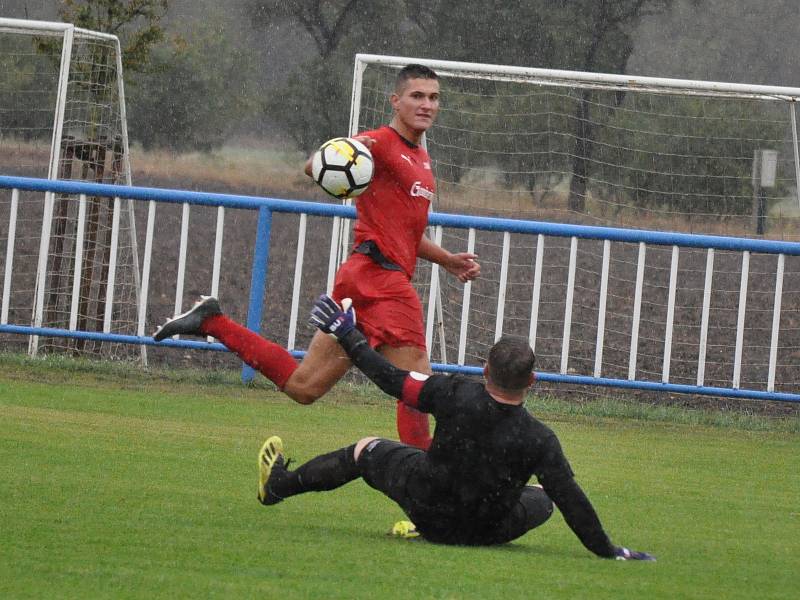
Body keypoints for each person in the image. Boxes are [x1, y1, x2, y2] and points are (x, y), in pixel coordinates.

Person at [153, 64, 479, 450]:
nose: (427, 104)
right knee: (419, 387)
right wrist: (336, 169)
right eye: (417, 96)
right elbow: (316, 163)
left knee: (304, 387)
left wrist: (446, 260)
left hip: (365, 278)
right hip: (381, 280)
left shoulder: (420, 157)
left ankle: (213, 322)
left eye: (434, 97)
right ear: (396, 101)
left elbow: (406, 232)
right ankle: (431, 492)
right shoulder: (382, 142)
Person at [254, 294, 655, 558]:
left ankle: (280, 486)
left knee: (364, 450)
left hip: (429, 509)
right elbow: (573, 501)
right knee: (547, 494)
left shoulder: (454, 392)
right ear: (532, 381)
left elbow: (391, 380)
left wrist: (348, 335)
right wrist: (610, 550)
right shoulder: (540, 439)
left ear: (485, 371)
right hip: (487, 531)